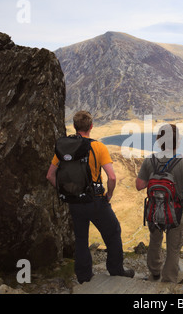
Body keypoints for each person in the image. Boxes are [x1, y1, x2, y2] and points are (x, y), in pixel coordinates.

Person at [46, 111, 134, 283]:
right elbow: (112, 177)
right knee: (113, 232)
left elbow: (50, 175)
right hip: (95, 200)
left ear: (74, 126)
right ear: (91, 127)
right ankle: (116, 270)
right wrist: (109, 194)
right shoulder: (98, 147)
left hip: (74, 201)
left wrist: (65, 190)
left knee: (81, 239)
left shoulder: (65, 147)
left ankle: (84, 277)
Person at [136, 124, 183, 283]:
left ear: (159, 140)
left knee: (154, 242)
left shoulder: (149, 161)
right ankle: (169, 280)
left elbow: (139, 185)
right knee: (173, 248)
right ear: (177, 141)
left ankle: (154, 273)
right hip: (176, 213)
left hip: (154, 211)